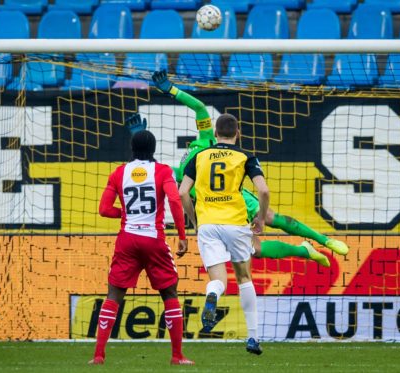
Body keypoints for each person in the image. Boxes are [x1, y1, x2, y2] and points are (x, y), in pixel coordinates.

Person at [149, 69, 349, 264]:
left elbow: (200, 108)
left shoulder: (207, 140)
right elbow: (155, 167)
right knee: (256, 250)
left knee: (271, 217)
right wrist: (140, 138)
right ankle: (304, 250)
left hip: (235, 198)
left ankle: (325, 240)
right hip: (214, 208)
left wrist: (172, 90)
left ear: (216, 134)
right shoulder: (180, 168)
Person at [89, 129, 194, 366]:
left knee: (114, 294)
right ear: (154, 149)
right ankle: (177, 356)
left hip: (127, 239)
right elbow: (176, 200)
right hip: (154, 239)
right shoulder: (163, 171)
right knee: (169, 293)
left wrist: (125, 213)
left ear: (132, 149)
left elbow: (104, 209)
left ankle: (98, 355)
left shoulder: (118, 173)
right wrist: (182, 235)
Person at [179, 113, 266, 355]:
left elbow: (182, 192)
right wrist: (260, 219)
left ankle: (212, 294)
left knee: (219, 281)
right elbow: (264, 190)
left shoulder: (199, 156)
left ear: (215, 134)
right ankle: (253, 338)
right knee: (244, 278)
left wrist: (195, 221)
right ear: (237, 134)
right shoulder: (245, 156)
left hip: (208, 224)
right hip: (236, 223)